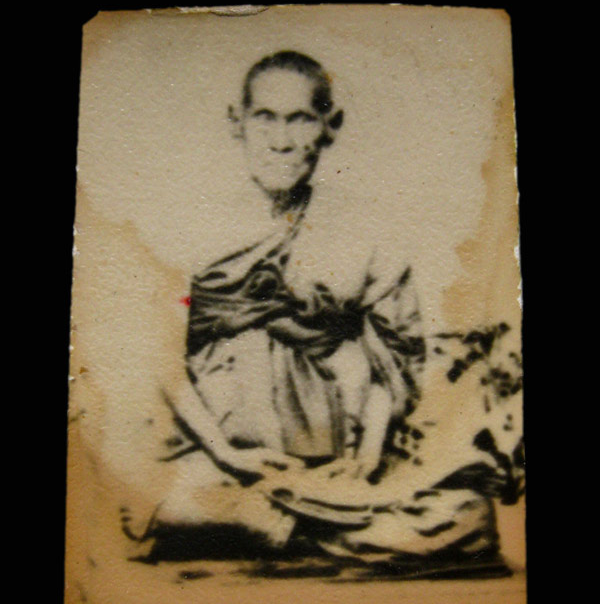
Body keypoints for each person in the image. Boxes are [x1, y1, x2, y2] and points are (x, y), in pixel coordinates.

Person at [133, 51, 508, 570]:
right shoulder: (191, 231)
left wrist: (368, 456)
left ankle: (276, 527)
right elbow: (161, 361)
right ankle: (282, 523)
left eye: (301, 119)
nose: (281, 141)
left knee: (468, 515)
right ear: (237, 122)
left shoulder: (366, 234)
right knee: (170, 500)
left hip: (339, 464)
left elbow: (393, 361)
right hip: (223, 456)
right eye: (265, 118)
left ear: (330, 126)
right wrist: (229, 454)